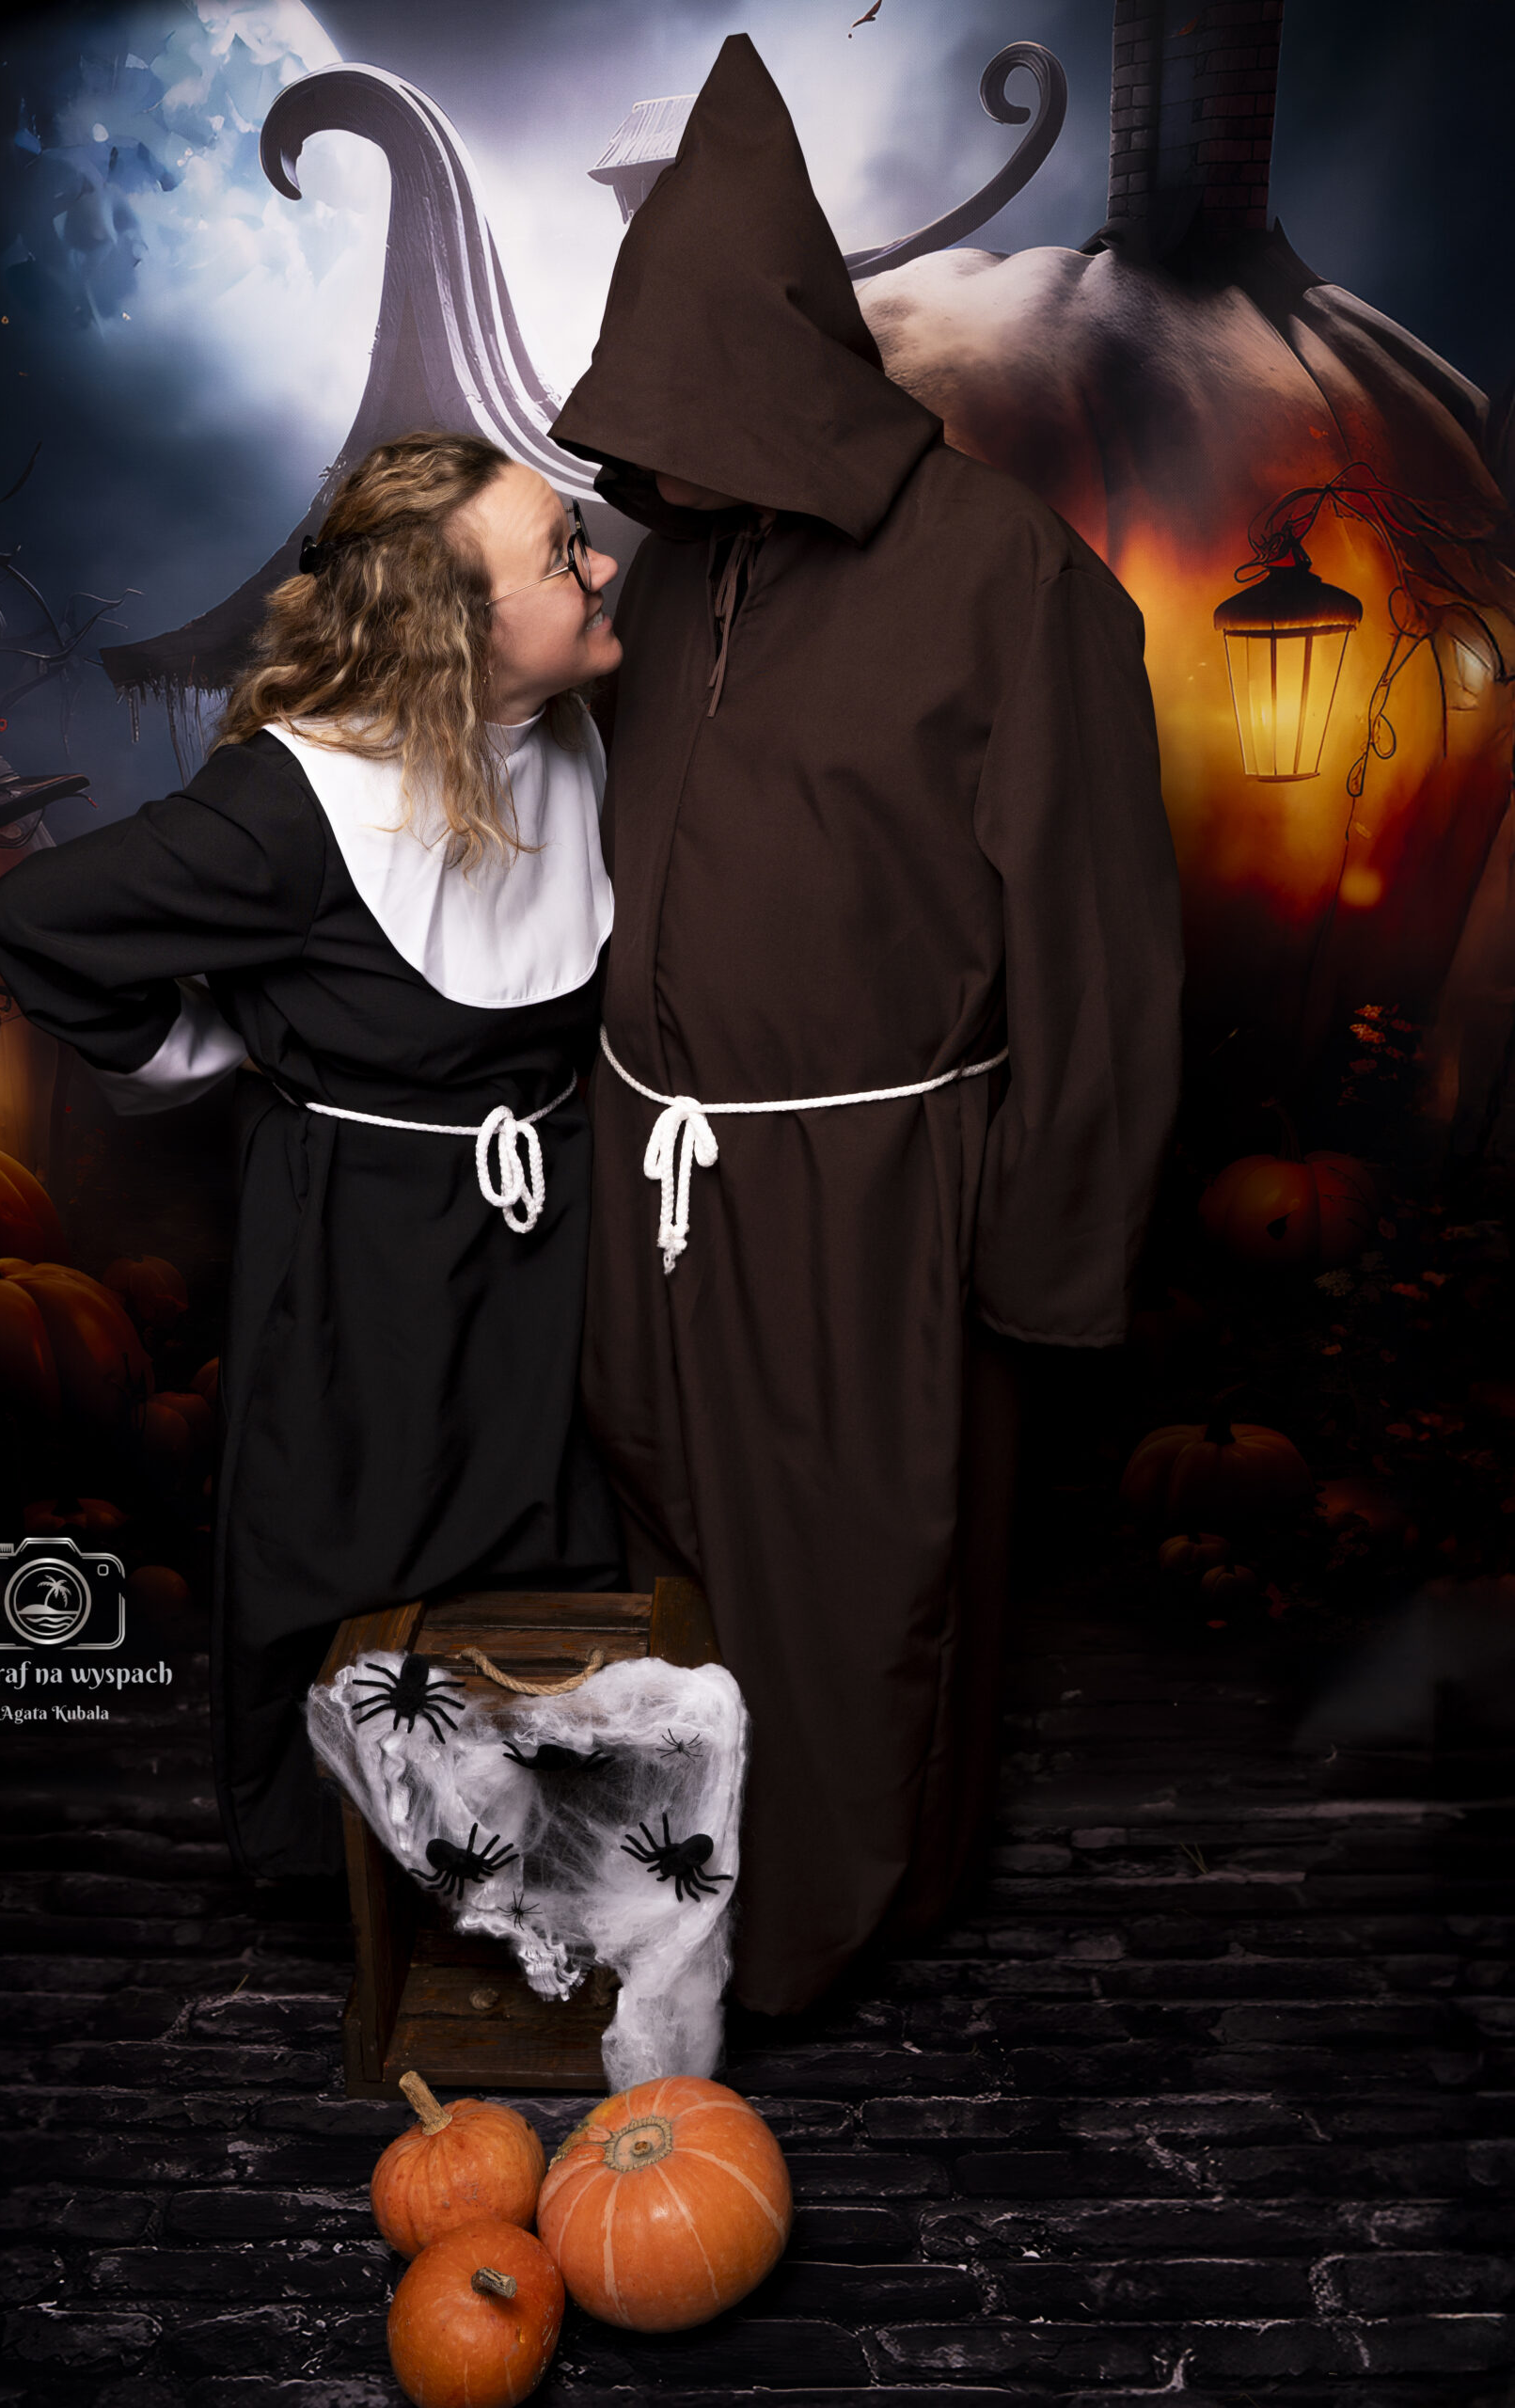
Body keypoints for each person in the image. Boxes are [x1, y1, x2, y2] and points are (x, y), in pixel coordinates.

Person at [550, 38, 1185, 2016]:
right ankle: (673, 1901)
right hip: (656, 1172)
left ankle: (813, 1932)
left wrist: (1048, 1247)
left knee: (861, 1573)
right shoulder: (676, 567)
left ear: (777, 376)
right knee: (670, 1550)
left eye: (689, 407)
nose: (657, 459)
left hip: (874, 1192)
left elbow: (1100, 943)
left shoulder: (1007, 577)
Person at [0, 431, 625, 1878]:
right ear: (456, 633)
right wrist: (206, 1050)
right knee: (354, 1552)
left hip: (549, 1226)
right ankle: (343, 1879)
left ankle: (540, 1874)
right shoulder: (292, 804)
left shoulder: (582, 726)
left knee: (554, 1549)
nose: (601, 567)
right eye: (562, 556)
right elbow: (40, 920)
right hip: (362, 1246)